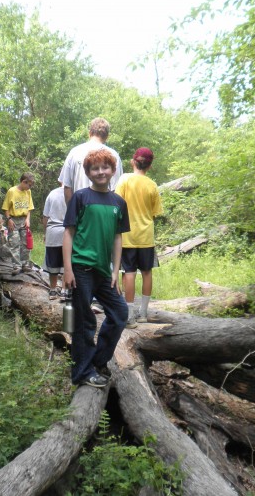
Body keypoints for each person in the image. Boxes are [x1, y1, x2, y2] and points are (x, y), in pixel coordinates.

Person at [62, 148, 130, 388]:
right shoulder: (80, 197)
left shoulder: (118, 203)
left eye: (105, 167)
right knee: (84, 322)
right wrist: (67, 269)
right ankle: (81, 372)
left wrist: (116, 271)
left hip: (104, 271)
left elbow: (117, 238)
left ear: (113, 170)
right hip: (81, 267)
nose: (100, 172)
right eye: (94, 168)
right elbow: (69, 233)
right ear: (88, 172)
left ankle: (98, 361)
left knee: (120, 313)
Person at [115, 147, 163, 326]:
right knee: (147, 272)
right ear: (149, 166)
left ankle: (129, 316)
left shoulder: (124, 180)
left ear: (133, 161)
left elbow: (116, 204)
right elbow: (155, 212)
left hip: (127, 236)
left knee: (128, 273)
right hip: (146, 237)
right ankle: (143, 313)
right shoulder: (152, 185)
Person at [58, 117, 123, 204]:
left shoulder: (74, 152)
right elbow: (116, 188)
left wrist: (71, 211)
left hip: (80, 209)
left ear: (89, 133)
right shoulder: (113, 155)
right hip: (105, 212)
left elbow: (67, 186)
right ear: (107, 136)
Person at [2, 172, 35, 275]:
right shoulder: (11, 191)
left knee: (25, 243)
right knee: (14, 243)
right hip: (13, 219)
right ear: (23, 182)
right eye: (29, 185)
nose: (29, 187)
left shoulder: (28, 192)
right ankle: (16, 265)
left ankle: (25, 264)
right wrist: (9, 219)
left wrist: (28, 219)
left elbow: (29, 208)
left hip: (24, 219)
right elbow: (6, 208)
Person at [42, 183, 67, 299]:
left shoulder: (52, 194)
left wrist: (45, 232)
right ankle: (64, 290)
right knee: (67, 263)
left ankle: (52, 290)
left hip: (52, 232)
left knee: (52, 263)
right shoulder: (74, 193)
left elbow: (45, 217)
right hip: (67, 232)